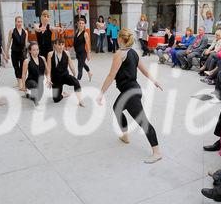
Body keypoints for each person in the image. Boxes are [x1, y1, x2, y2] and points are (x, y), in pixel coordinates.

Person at [97, 28, 163, 164]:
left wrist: (101, 93)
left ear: (120, 39)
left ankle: (157, 152)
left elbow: (111, 75)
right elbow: (144, 70)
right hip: (131, 90)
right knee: (117, 108)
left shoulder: (119, 54)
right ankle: (125, 136)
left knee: (143, 122)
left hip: (131, 93)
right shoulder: (133, 52)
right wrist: (154, 80)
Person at [46, 39, 84, 105]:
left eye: (62, 45)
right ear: (55, 45)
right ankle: (63, 95)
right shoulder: (50, 54)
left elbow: (71, 65)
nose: (61, 47)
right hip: (56, 79)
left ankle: (80, 100)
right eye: (59, 45)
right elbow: (48, 69)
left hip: (65, 76)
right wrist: (48, 79)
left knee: (76, 82)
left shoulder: (67, 53)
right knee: (56, 99)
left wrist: (74, 73)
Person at [6, 16, 29, 88]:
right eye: (18, 21)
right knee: (16, 67)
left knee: (23, 67)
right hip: (14, 52)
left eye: (21, 21)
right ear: (15, 22)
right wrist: (7, 52)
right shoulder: (12, 31)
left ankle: (22, 81)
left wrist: (27, 53)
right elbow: (9, 42)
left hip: (22, 52)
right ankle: (19, 82)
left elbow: (26, 44)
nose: (19, 23)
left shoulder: (25, 32)